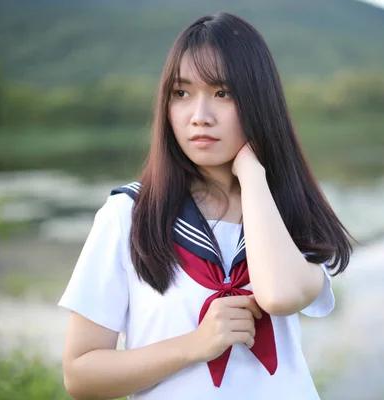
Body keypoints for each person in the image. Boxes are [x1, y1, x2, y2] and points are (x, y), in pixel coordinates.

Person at [58, 11, 353, 400]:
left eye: (222, 93)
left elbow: (279, 295)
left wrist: (251, 174)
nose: (199, 117)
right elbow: (80, 376)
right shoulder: (129, 216)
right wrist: (195, 345)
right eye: (182, 93)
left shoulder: (287, 212)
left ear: (258, 101)